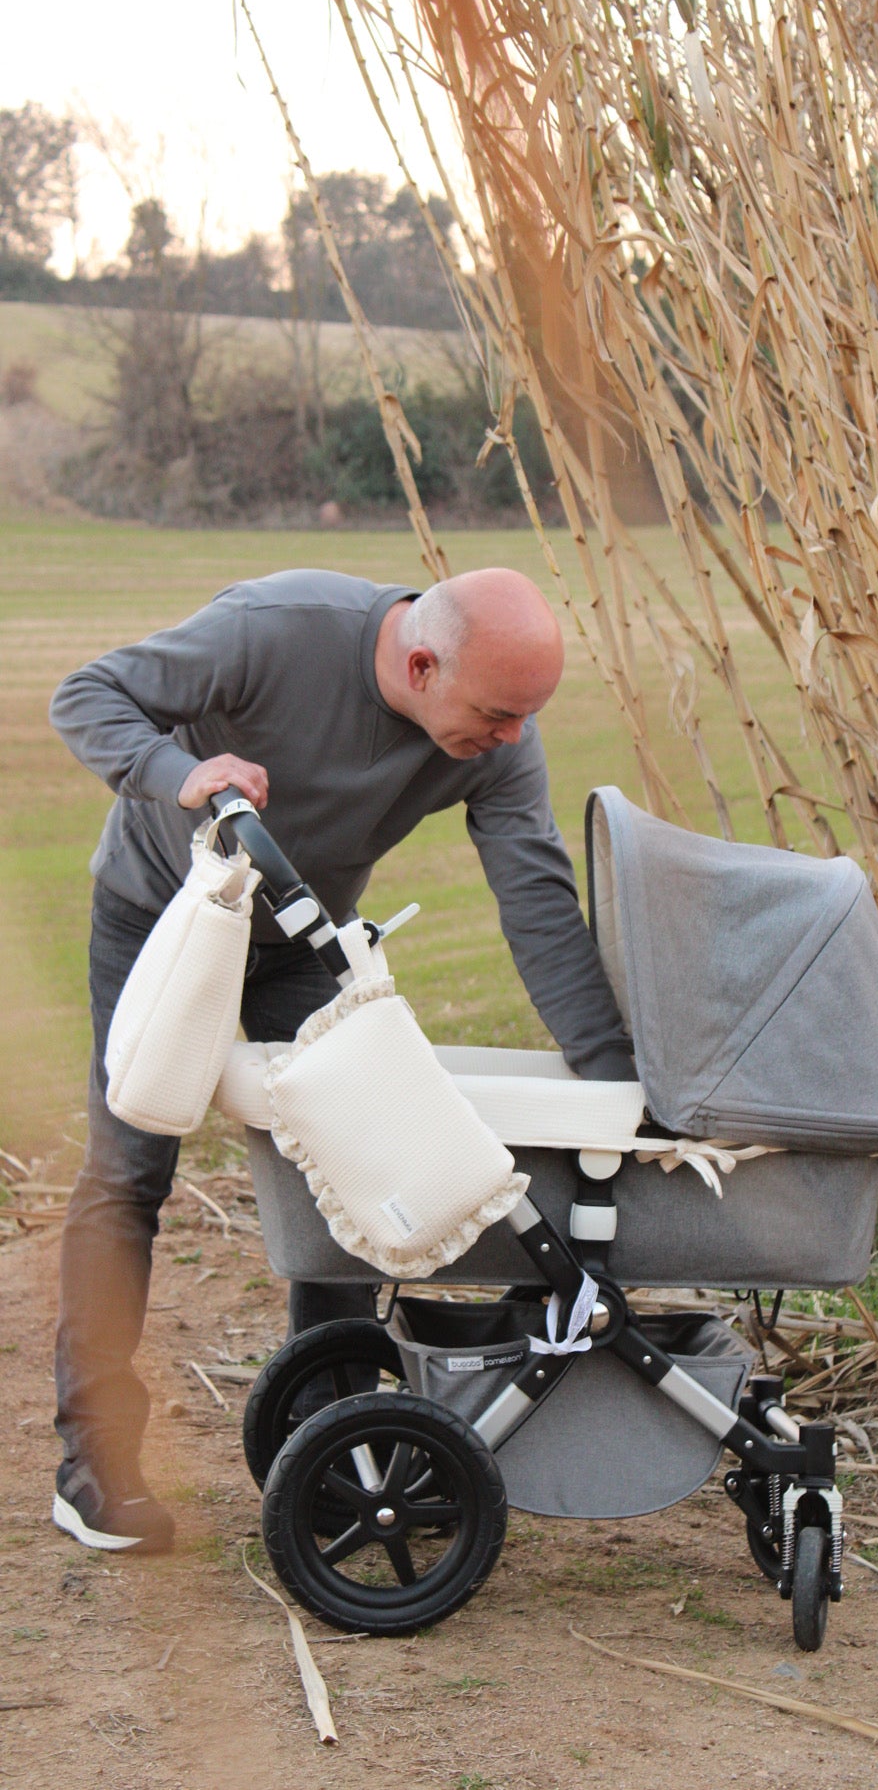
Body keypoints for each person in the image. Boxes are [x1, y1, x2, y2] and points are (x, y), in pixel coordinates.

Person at [48, 566, 634, 1553]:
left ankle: (329, 1453)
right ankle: (92, 1463)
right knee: (130, 1169)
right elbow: (87, 695)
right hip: (165, 920)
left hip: (302, 943)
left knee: (349, 1174)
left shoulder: (499, 740)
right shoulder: (271, 630)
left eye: (524, 718)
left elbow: (535, 902)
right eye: (495, 714)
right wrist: (178, 775)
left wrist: (620, 1079)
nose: (509, 739)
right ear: (418, 663)